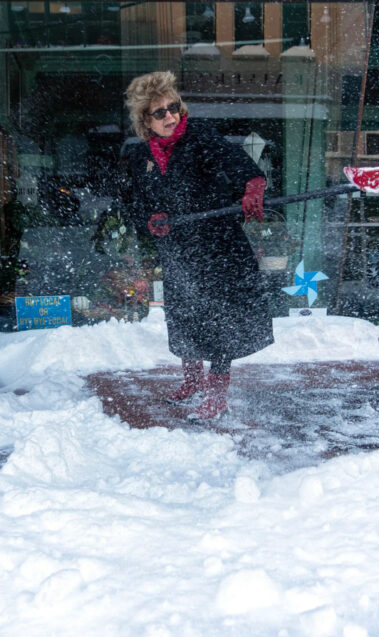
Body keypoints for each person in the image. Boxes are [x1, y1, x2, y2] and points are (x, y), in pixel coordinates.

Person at [122, 71, 274, 420]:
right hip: (178, 250)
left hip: (218, 245)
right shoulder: (144, 156)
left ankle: (216, 395)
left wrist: (252, 189)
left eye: (173, 107)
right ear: (145, 120)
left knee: (220, 320)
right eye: (159, 112)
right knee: (185, 316)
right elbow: (141, 201)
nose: (170, 116)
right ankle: (192, 382)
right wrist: (151, 219)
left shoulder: (200, 137)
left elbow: (240, 166)